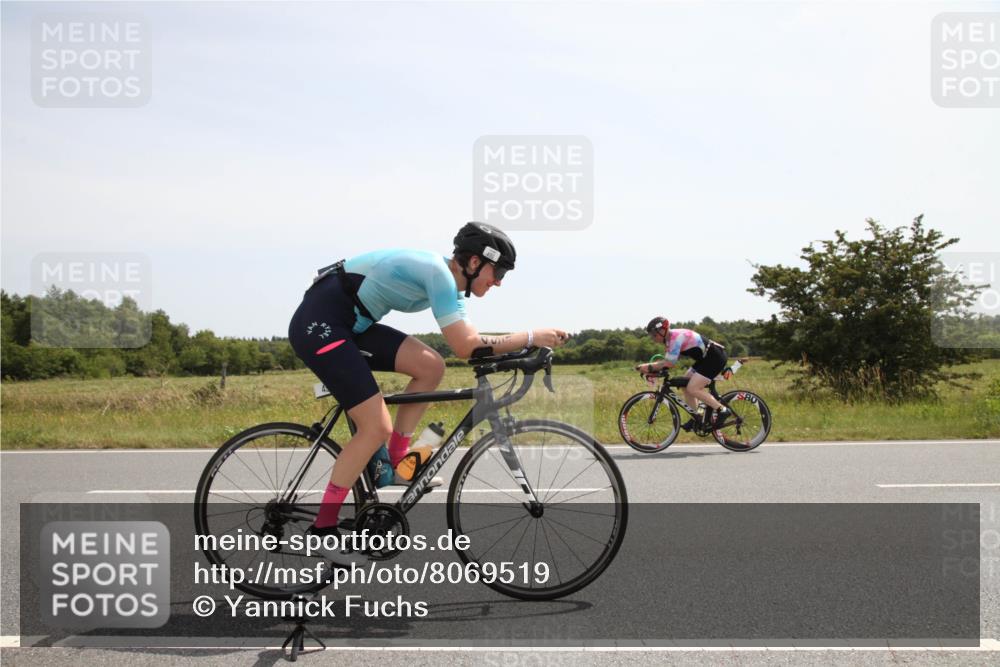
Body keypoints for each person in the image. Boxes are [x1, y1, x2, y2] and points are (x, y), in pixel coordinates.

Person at [287, 222, 568, 565]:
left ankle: (397, 465)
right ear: (476, 262)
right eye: (499, 272)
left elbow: (474, 342)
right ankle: (323, 530)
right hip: (320, 325)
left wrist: (519, 353)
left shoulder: (446, 280)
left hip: (350, 324)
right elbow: (466, 346)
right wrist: (529, 337)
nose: (499, 282)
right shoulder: (439, 274)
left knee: (430, 367)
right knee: (375, 426)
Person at [635, 317, 730, 429]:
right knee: (685, 386)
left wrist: (648, 367)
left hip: (714, 357)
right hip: (704, 359)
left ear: (662, 331)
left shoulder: (676, 338)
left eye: (654, 335)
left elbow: (669, 363)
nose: (652, 338)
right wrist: (653, 370)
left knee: (693, 388)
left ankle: (722, 410)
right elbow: (667, 362)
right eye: (651, 335)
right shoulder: (669, 340)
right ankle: (696, 417)